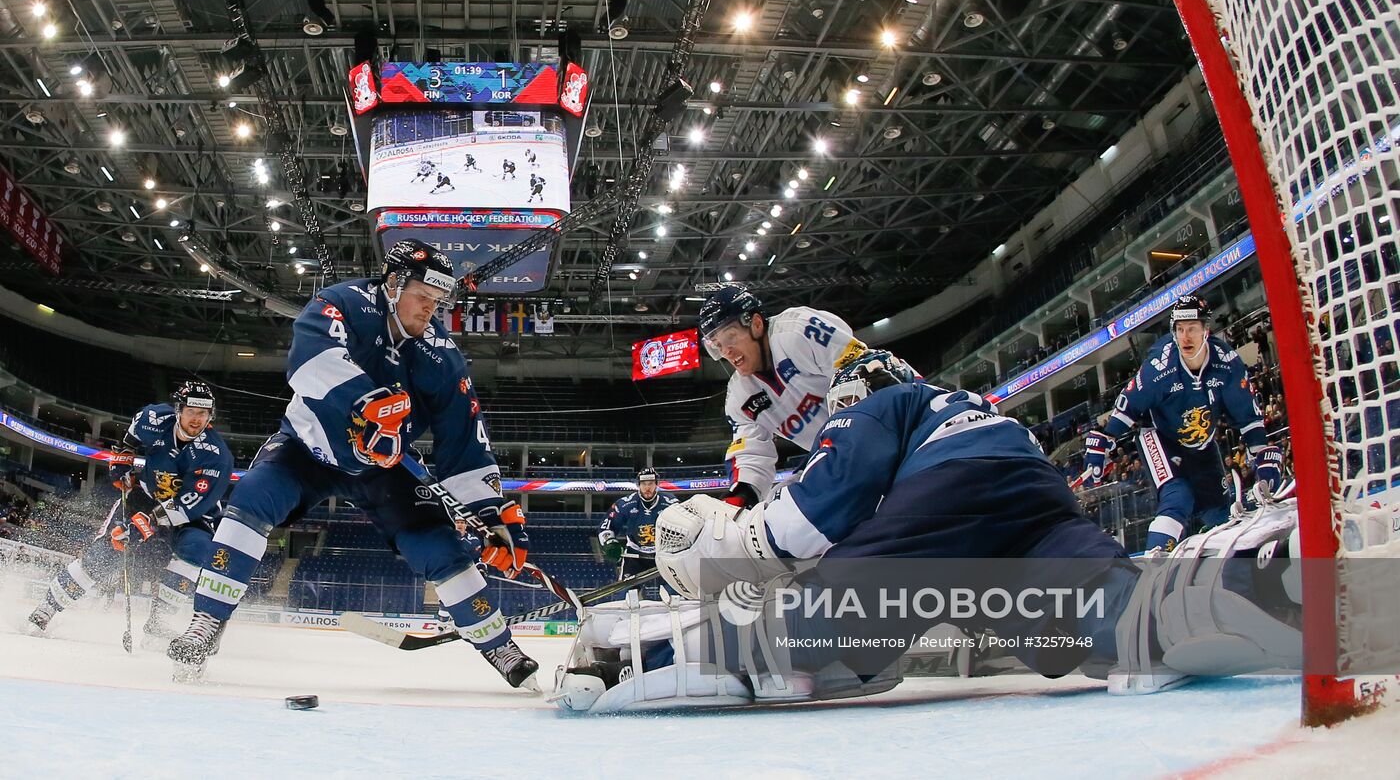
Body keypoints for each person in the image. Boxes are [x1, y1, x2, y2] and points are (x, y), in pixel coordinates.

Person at [549, 351, 1304, 712]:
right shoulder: (969, 405)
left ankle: (634, 663)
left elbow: (827, 499)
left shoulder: (884, 399)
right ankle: (1239, 566)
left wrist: (747, 553)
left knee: (822, 616)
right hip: (1035, 499)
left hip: (956, 487)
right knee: (1106, 620)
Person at [166, 239, 539, 690]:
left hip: (385, 466)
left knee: (441, 547)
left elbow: (464, 440)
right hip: (306, 450)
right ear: (394, 283)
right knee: (248, 503)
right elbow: (309, 357)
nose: (430, 309)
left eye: (438, 301)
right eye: (423, 296)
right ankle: (206, 623)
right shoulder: (344, 302)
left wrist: (488, 511)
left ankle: (498, 643)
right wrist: (364, 402)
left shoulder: (442, 355)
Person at [28, 382, 234, 646]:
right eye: (192, 411)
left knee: (196, 549)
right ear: (178, 410)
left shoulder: (216, 456)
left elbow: (188, 504)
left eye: (203, 414)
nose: (197, 419)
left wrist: (148, 523)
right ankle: (47, 608)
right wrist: (123, 459)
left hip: (193, 514)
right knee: (109, 547)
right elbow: (130, 440)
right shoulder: (153, 418)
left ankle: (159, 620)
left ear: (211, 416)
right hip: (146, 497)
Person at [1080, 296, 1281, 552]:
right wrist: (1104, 441)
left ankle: (1232, 569)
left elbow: (1248, 419)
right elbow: (1128, 407)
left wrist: (1261, 454)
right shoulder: (1159, 366)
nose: (1185, 337)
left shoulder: (1227, 364)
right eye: (1180, 329)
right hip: (1159, 436)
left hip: (1203, 443)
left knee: (1219, 512)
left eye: (1192, 329)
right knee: (1179, 495)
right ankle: (1156, 563)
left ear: (1206, 331)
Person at [697, 285, 878, 509]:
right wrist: (739, 498)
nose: (726, 352)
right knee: (778, 504)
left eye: (731, 337)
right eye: (718, 346)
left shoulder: (798, 330)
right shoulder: (739, 397)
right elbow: (750, 454)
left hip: (879, 435)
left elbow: (864, 370)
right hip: (835, 459)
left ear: (755, 324)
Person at [597, 468, 679, 592]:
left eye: (651, 483)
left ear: (657, 484)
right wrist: (609, 543)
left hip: (662, 554)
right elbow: (607, 526)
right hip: (634, 554)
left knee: (674, 591)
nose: (647, 488)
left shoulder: (671, 503)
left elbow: (684, 526)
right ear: (638, 485)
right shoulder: (625, 504)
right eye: (644, 484)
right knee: (627, 593)